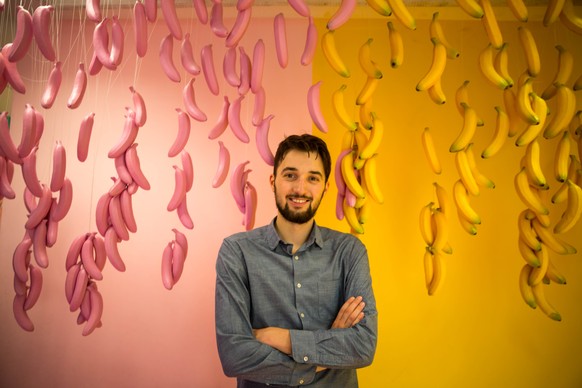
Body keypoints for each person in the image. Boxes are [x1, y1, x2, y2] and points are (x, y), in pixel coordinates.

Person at [215, 134, 378, 387]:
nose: (300, 189)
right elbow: (235, 356)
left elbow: (363, 346)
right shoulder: (237, 252)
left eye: (313, 178)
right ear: (273, 181)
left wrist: (279, 337)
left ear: (325, 187)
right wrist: (330, 345)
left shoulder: (349, 252)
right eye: (290, 175)